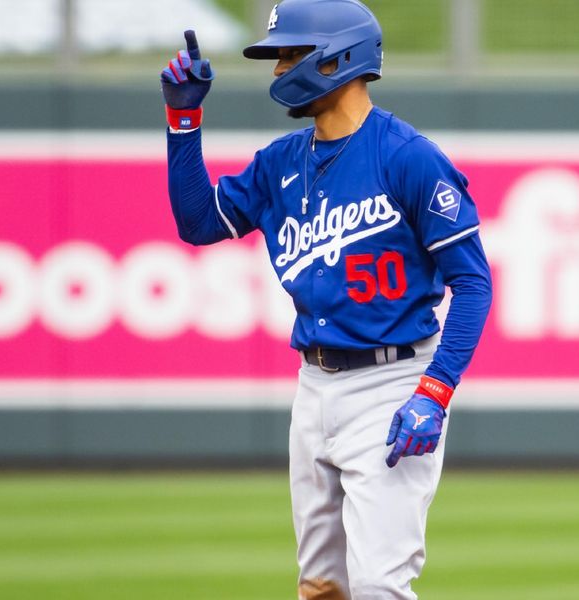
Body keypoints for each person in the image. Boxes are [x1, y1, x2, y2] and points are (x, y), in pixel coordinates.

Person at [160, 1, 492, 597]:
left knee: (377, 587)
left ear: (338, 58)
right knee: (320, 587)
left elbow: (473, 282)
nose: (278, 68)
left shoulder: (407, 156)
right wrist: (183, 124)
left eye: (290, 54)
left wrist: (436, 391)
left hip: (395, 383)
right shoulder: (281, 161)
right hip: (314, 388)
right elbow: (197, 221)